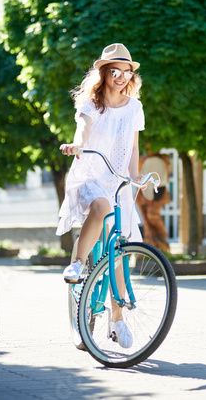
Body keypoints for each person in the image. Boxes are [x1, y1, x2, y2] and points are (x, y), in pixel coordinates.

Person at [57, 43, 145, 348]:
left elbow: (133, 148)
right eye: (114, 71)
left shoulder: (134, 107)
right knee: (101, 206)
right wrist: (76, 145)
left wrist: (134, 178)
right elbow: (83, 130)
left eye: (126, 71)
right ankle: (79, 264)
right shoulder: (91, 104)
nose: (121, 77)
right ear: (104, 73)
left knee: (118, 254)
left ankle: (117, 320)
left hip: (119, 180)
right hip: (91, 174)